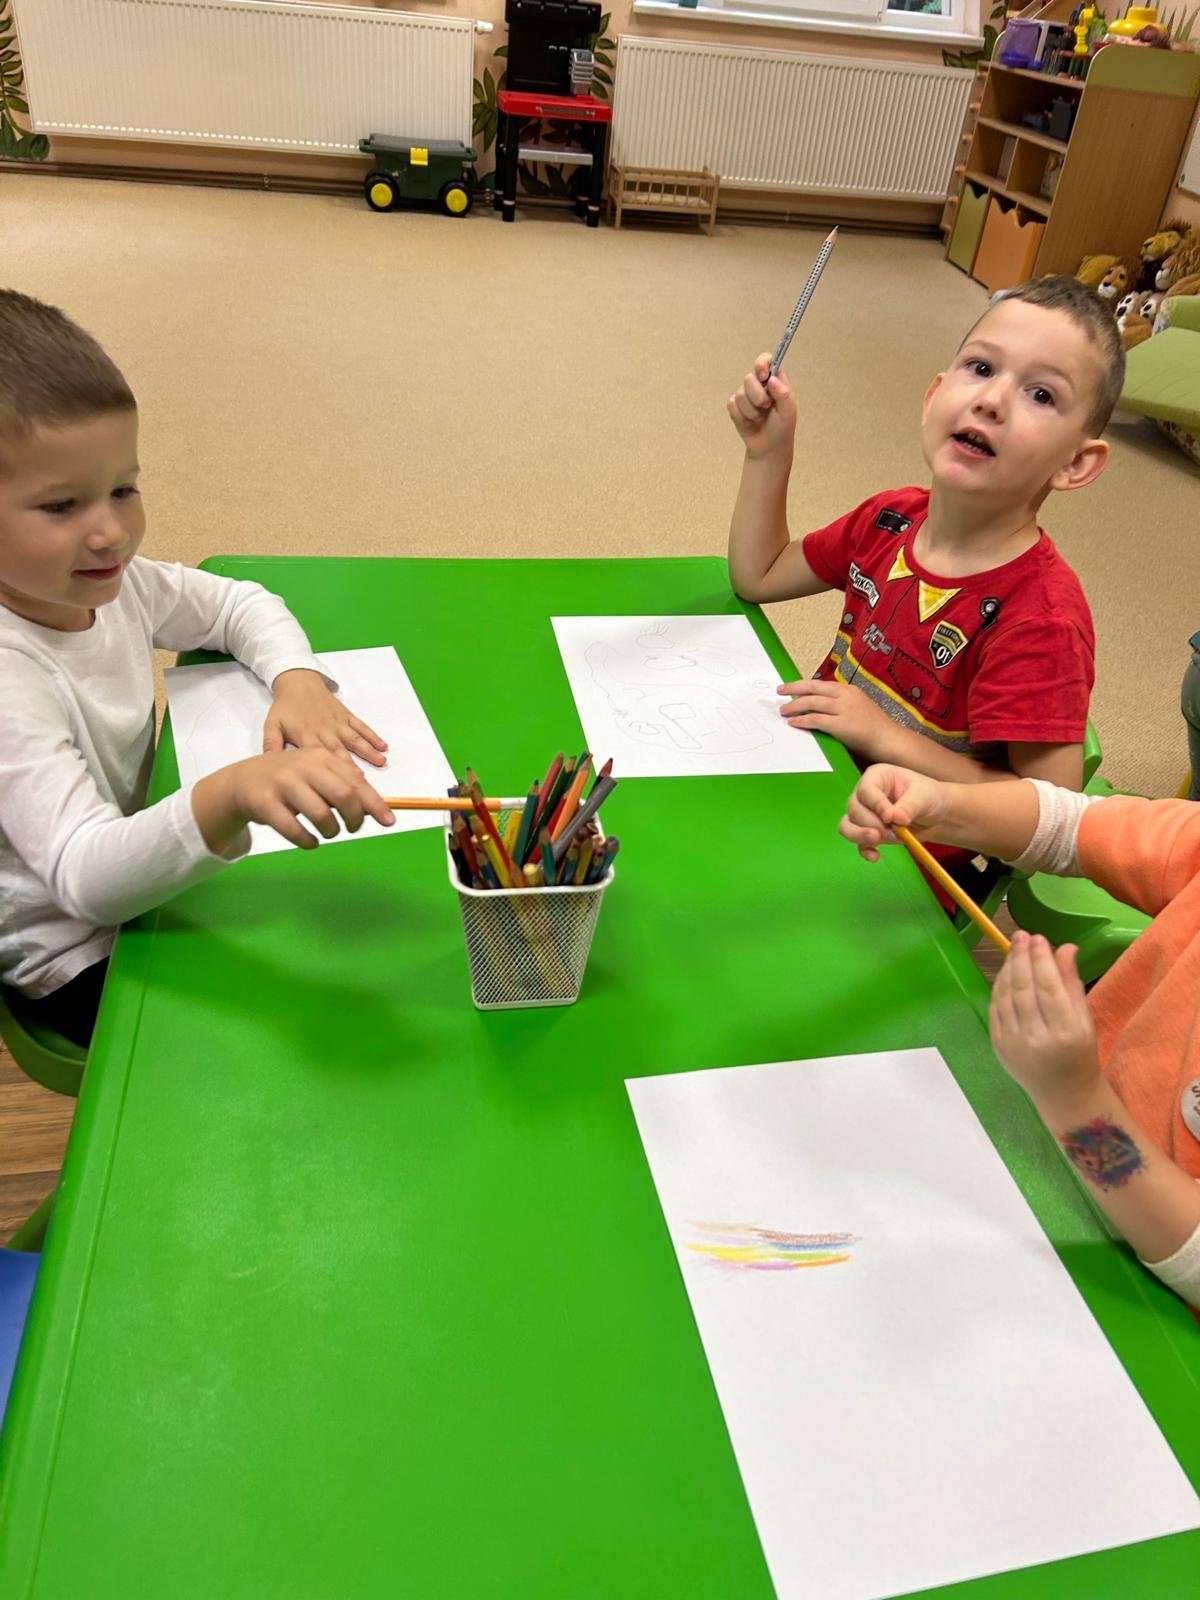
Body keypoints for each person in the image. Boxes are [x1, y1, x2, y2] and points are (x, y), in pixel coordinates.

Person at [0, 290, 396, 1046]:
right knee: (307, 1022)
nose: (111, 533)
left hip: (143, 872)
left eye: (123, 489)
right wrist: (232, 792)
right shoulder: (10, 679)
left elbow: (237, 602)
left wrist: (296, 679)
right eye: (61, 506)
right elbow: (84, 879)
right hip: (77, 953)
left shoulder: (113, 584)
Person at [727, 275, 1124, 901]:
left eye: (1041, 394)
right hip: (809, 785)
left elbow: (1054, 813)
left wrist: (882, 736)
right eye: (981, 367)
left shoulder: (1040, 618)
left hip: (902, 869)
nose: (992, 400)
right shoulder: (888, 520)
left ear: (1076, 463)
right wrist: (767, 454)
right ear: (934, 395)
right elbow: (760, 573)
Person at [840, 763, 1200, 1309]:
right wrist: (943, 805)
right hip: (1051, 1135)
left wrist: (1074, 1100)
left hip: (1140, 1292)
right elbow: (1073, 826)